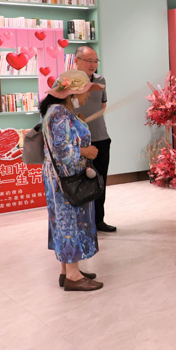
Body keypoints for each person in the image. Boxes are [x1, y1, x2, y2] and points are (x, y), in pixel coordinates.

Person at [41, 70, 104, 291]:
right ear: (72, 94)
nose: (87, 97)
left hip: (58, 177)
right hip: (67, 178)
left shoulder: (58, 111)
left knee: (62, 222)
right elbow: (62, 151)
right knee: (70, 222)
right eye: (85, 92)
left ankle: (67, 270)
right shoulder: (60, 114)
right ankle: (73, 276)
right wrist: (86, 152)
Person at [72, 46, 114, 232]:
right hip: (77, 143)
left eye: (95, 61)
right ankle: (81, 222)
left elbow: (103, 105)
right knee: (79, 183)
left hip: (100, 138)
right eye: (89, 61)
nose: (93, 64)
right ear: (76, 61)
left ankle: (98, 220)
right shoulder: (66, 82)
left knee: (100, 181)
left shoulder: (100, 80)